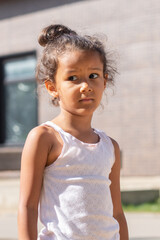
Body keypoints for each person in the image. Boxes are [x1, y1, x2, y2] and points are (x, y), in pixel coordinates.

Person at [18, 24, 129, 240]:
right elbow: (28, 206)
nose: (85, 86)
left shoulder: (110, 146)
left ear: (105, 81)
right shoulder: (44, 138)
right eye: (73, 78)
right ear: (52, 87)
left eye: (93, 75)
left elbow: (117, 212)